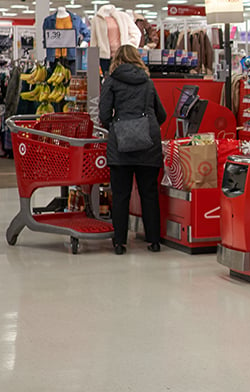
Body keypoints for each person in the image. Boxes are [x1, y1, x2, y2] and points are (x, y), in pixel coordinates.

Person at [99, 44, 167, 255]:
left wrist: (118, 126)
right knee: (149, 193)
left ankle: (120, 243)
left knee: (120, 195)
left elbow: (103, 114)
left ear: (116, 59)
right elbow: (161, 114)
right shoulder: (147, 82)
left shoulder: (111, 81)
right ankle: (154, 242)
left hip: (121, 145)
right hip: (148, 142)